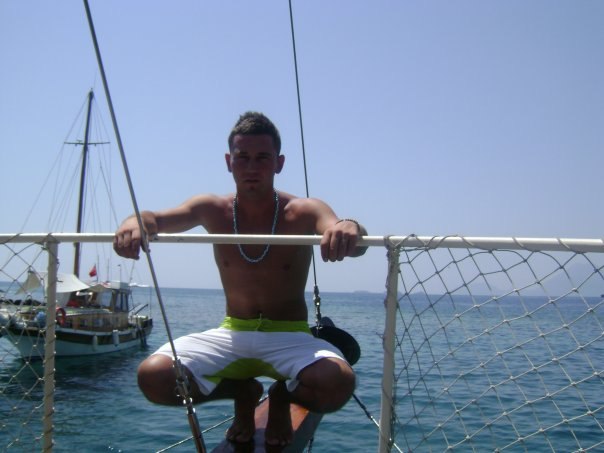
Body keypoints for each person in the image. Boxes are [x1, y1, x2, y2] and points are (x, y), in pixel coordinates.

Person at [113, 111, 367, 447]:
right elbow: (154, 218)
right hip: (232, 332)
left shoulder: (304, 210)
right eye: (242, 157)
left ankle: (282, 396)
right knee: (153, 377)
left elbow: (345, 231)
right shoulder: (211, 208)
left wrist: (349, 227)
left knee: (338, 384)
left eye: (262, 158)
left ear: (279, 163)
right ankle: (243, 392)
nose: (251, 167)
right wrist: (134, 222)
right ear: (228, 162)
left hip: (290, 335)